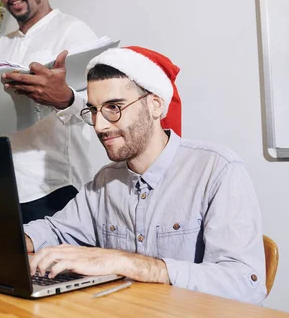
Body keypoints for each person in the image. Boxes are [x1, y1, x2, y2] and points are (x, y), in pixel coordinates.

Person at [24, 46, 266, 304]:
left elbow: (245, 284)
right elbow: (54, 230)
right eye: (94, 110)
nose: (99, 125)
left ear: (155, 105)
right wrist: (7, 243)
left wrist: (125, 262)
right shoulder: (105, 182)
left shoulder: (218, 170)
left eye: (114, 107)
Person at [0, 0, 100, 223]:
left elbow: (100, 109)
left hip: (56, 186)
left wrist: (66, 98)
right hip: (7, 188)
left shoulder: (74, 33)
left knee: (56, 268)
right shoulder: (1, 45)